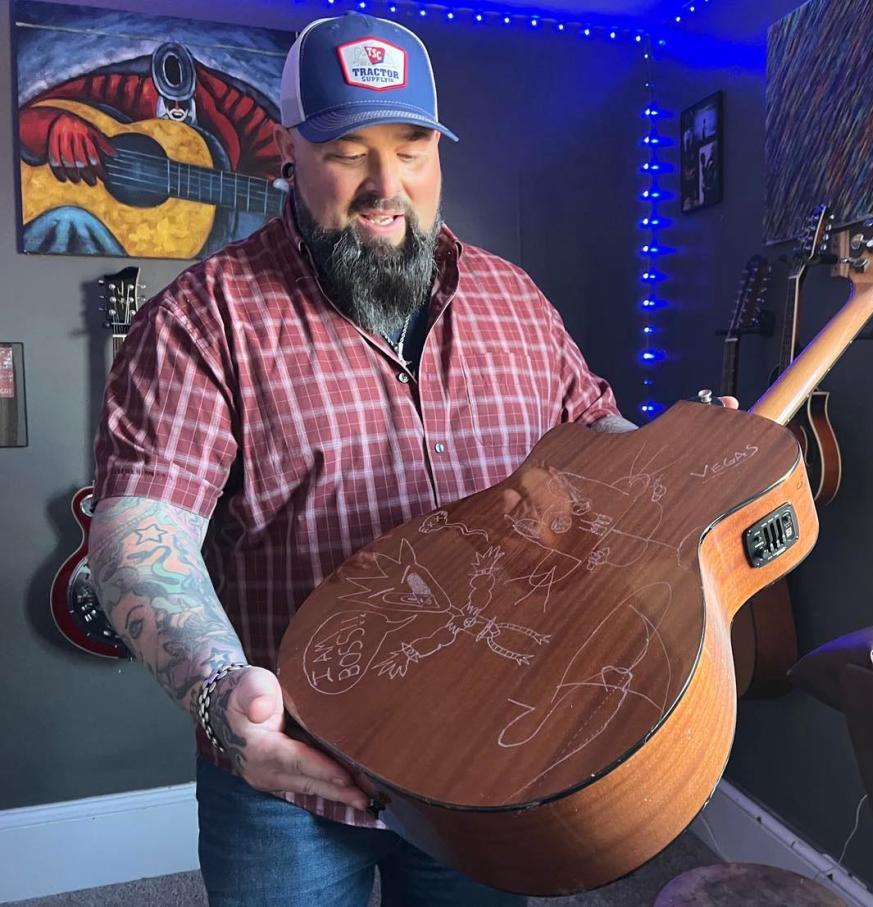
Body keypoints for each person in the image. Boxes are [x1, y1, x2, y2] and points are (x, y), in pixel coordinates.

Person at [88, 13, 733, 906]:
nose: (385, 186)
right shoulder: (201, 321)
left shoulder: (516, 299)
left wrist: (691, 456)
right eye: (349, 151)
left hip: (494, 765)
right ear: (287, 153)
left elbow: (598, 440)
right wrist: (219, 694)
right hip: (291, 779)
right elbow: (137, 528)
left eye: (413, 147)